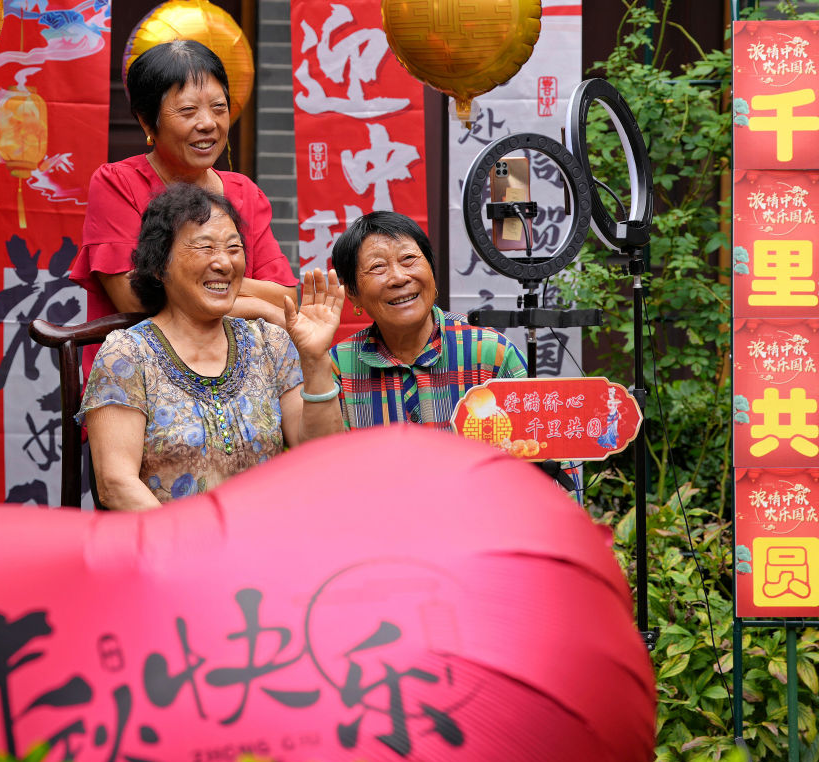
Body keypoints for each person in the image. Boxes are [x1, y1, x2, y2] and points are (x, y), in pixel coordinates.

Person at [77, 184, 344, 510]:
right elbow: (116, 484)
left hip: (265, 535)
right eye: (205, 248)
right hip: (169, 538)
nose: (224, 263)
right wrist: (189, 539)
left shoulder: (269, 343)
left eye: (234, 248)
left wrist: (315, 358)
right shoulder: (127, 354)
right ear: (159, 266)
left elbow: (320, 455)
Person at [69, 39, 297, 382]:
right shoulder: (117, 183)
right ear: (147, 123)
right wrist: (257, 305)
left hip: (238, 385)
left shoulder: (245, 193)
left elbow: (285, 297)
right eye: (188, 111)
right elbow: (134, 299)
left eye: (218, 107)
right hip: (139, 381)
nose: (208, 123)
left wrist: (190, 284)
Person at [329, 211, 528, 430]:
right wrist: (312, 359)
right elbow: (321, 449)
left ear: (431, 270)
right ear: (352, 293)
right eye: (378, 267)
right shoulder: (339, 366)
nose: (399, 278)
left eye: (408, 259)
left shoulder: (490, 352)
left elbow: (539, 439)